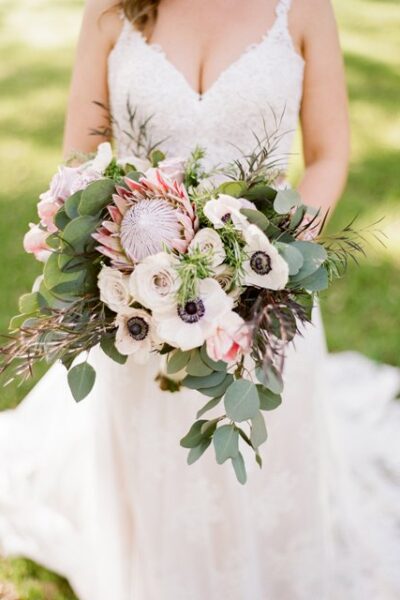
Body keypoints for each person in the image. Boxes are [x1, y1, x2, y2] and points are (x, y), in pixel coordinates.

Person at [0, 1, 399, 598]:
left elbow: (329, 155)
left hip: (265, 301)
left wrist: (270, 264)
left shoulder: (304, 9)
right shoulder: (110, 13)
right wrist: (129, 273)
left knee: (260, 461)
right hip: (137, 305)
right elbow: (81, 163)